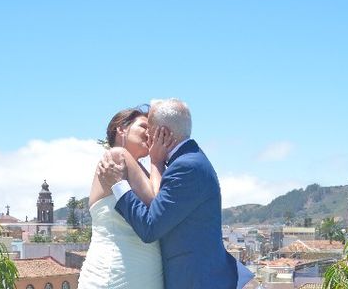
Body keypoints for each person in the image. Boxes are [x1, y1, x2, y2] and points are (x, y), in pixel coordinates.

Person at [99, 98, 253, 289]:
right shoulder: (189, 161)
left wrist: (119, 184)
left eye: (150, 129)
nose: (147, 135)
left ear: (163, 132)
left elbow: (150, 227)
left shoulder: (185, 167)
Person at [78, 105, 176, 289]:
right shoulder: (117, 156)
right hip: (118, 273)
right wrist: (157, 161)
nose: (150, 134)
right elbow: (157, 206)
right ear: (121, 129)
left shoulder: (142, 170)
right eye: (143, 127)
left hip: (140, 274)